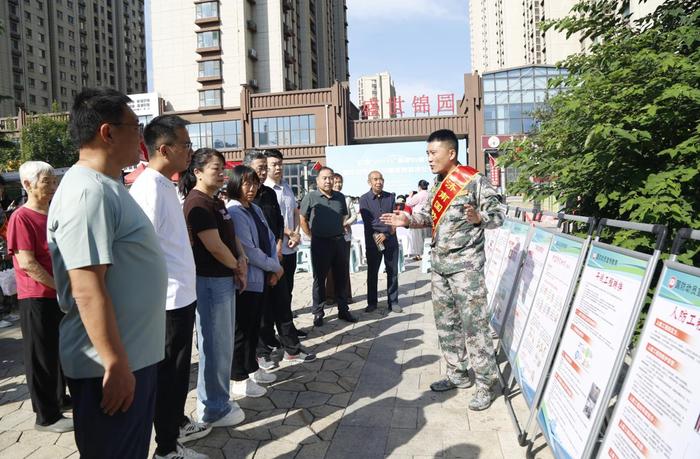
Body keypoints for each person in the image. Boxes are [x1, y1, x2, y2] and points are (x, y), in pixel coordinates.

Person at [47, 87, 168, 458]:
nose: (141, 136)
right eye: (135, 126)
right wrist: (114, 363)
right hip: (109, 366)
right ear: (108, 132)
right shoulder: (88, 193)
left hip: (131, 358)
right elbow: (86, 288)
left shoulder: (107, 186)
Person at [381, 129, 504, 411]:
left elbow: (498, 216)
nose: (429, 158)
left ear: (451, 153)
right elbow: (429, 216)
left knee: (474, 326)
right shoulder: (437, 184)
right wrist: (408, 220)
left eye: (433, 153)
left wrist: (479, 217)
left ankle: (486, 384)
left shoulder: (474, 181)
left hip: (466, 268)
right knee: (447, 324)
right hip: (440, 267)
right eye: (427, 153)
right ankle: (457, 373)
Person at [129, 115, 211, 459]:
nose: (190, 151)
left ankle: (175, 426)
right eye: (185, 145)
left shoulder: (165, 184)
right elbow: (138, 251)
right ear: (164, 149)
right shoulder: (147, 188)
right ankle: (166, 449)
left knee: (177, 373)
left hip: (180, 296)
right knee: (170, 375)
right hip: (166, 301)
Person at [179, 148, 248, 428]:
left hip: (224, 277)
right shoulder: (197, 202)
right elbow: (214, 246)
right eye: (215, 168)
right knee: (215, 345)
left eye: (223, 168)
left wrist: (241, 259)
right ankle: (213, 408)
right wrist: (237, 266)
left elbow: (231, 237)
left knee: (223, 344)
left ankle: (217, 400)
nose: (222, 174)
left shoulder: (215, 200)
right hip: (209, 280)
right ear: (197, 172)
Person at [7, 161, 73, 433]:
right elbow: (27, 263)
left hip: (57, 294)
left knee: (58, 351)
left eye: (54, 180)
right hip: (37, 296)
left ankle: (59, 398)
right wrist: (59, 286)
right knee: (41, 356)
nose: (53, 185)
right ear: (28, 184)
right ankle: (46, 416)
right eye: (47, 181)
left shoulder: (53, 213)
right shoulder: (21, 217)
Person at [244, 151, 314, 368]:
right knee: (262, 310)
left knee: (282, 304)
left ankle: (291, 350)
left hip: (275, 257)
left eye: (265, 167)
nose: (263, 172)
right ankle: (261, 353)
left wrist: (277, 247)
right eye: (260, 167)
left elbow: (276, 222)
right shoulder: (241, 199)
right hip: (255, 263)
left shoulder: (269, 193)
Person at [226, 165, 285, 398]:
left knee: (254, 329)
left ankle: (252, 369)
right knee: (242, 331)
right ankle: (239, 378)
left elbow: (269, 239)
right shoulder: (234, 210)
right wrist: (275, 267)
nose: (251, 188)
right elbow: (249, 249)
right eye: (246, 183)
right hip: (247, 280)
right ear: (235, 184)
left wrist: (273, 267)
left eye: (254, 184)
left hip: (261, 277)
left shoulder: (255, 208)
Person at [299, 166, 358, 327]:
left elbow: (343, 216)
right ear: (317, 180)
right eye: (324, 178)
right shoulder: (310, 197)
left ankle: (343, 309)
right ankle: (318, 312)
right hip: (320, 243)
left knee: (341, 277)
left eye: (331, 178)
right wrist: (312, 236)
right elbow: (303, 219)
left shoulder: (340, 197)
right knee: (320, 279)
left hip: (339, 242)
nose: (328, 181)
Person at [360, 171, 401, 314]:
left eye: (381, 179)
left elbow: (394, 218)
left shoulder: (390, 197)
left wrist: (386, 234)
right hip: (374, 241)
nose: (379, 182)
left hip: (390, 241)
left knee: (392, 272)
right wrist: (385, 231)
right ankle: (372, 302)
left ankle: (393, 301)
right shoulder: (364, 199)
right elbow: (369, 221)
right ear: (369, 182)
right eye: (375, 179)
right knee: (372, 273)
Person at [326, 173, 356, 305]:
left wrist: (345, 223)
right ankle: (330, 296)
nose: (338, 184)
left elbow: (354, 216)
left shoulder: (347, 199)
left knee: (344, 266)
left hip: (345, 236)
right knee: (330, 267)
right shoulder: (327, 198)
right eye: (336, 182)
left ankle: (346, 295)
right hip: (330, 237)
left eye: (340, 182)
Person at [406, 180, 431, 260]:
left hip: (418, 218)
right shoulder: (430, 194)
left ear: (419, 187)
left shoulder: (418, 195)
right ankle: (428, 254)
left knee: (418, 237)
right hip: (428, 217)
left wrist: (410, 196)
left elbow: (408, 203)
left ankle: (419, 254)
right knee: (428, 237)